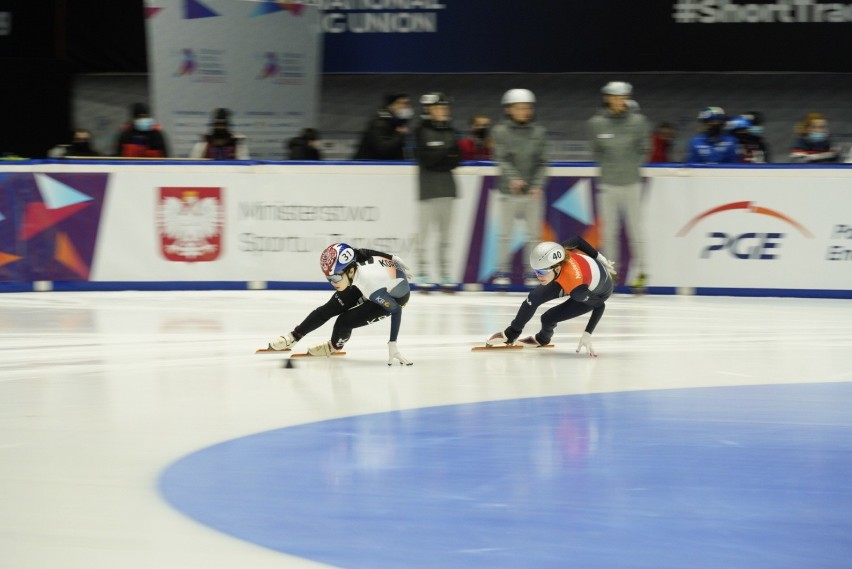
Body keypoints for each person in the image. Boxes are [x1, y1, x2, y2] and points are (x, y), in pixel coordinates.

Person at [265, 243, 414, 365]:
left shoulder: (370, 287)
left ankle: (334, 346)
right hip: (375, 282)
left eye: (335, 277)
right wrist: (392, 257)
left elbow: (395, 309)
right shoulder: (354, 260)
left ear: (350, 271)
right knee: (329, 308)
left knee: (344, 322)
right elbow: (362, 251)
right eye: (329, 278)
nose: (332, 282)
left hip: (394, 296)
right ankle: (293, 337)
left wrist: (392, 343)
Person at [484, 237, 616, 357]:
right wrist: (599, 257)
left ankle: (543, 339)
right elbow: (577, 240)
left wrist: (588, 333)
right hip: (577, 276)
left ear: (557, 268)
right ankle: (511, 334)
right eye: (535, 271)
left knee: (548, 318)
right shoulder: (558, 251)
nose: (538, 276)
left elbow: (600, 305)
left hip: (596, 291)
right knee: (533, 297)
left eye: (541, 272)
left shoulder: (577, 290)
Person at [586, 81, 651, 293]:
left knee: (635, 230)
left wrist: (628, 165)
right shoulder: (596, 123)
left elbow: (645, 149)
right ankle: (610, 274)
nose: (620, 100)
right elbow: (596, 151)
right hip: (607, 184)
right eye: (616, 96)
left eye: (624, 96)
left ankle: (642, 272)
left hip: (631, 183)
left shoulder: (639, 122)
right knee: (609, 232)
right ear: (608, 98)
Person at [492, 88, 548, 288]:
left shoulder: (539, 133)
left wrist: (537, 185)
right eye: (519, 108)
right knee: (505, 234)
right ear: (509, 110)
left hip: (532, 194)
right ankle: (502, 270)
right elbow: (501, 158)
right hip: (509, 192)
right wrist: (514, 178)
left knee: (533, 235)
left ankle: (531, 272)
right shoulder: (501, 132)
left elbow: (543, 162)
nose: (524, 111)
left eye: (527, 108)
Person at [413, 92, 461, 292]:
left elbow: (456, 159)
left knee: (445, 236)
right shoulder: (421, 131)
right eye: (439, 108)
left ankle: (445, 273)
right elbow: (427, 160)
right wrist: (445, 152)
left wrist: (440, 153)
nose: (444, 111)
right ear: (429, 110)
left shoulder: (452, 131)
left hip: (448, 189)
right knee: (424, 234)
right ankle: (422, 272)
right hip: (428, 189)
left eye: (445, 108)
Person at [352, 93, 413, 160]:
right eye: (402, 103)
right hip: (368, 167)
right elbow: (383, 150)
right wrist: (400, 135)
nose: (406, 107)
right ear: (390, 106)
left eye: (407, 103)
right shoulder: (379, 123)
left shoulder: (396, 123)